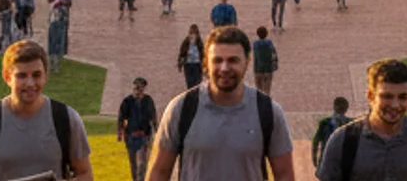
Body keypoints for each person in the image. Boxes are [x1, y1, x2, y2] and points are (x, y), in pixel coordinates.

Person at [146, 27, 295, 181]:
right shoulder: (182, 108)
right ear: (206, 63)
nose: (224, 68)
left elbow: (285, 175)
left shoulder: (267, 111)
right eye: (217, 60)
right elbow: (159, 172)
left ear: (247, 62)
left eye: (233, 60)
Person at [0, 41, 95, 181]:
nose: (30, 83)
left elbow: (85, 173)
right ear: (7, 77)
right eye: (21, 76)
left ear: (46, 75)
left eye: (36, 75)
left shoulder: (66, 118)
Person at [317, 59, 407, 181]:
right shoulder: (343, 141)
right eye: (387, 96)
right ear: (370, 96)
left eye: (403, 97)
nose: (395, 105)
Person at [118, 77, 159, 181]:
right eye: (136, 87)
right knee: (133, 164)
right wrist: (120, 133)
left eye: (140, 87)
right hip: (131, 137)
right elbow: (121, 118)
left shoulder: (148, 101)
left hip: (145, 136)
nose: (138, 90)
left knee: (142, 163)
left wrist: (157, 131)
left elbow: (153, 117)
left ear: (144, 88)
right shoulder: (127, 101)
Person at [311, 98, 351, 171]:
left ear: (334, 107)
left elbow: (315, 141)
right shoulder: (352, 123)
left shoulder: (324, 123)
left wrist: (314, 158)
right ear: (346, 108)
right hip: (344, 162)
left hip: (326, 161)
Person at [48, 0, 75, 73]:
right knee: (55, 42)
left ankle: (56, 63)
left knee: (58, 42)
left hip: (61, 20)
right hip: (55, 20)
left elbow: (68, 2)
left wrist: (61, 0)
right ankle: (54, 63)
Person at [251, 26, 281, 93]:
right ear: (266, 34)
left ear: (257, 34)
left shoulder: (255, 44)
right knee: (267, 91)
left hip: (258, 69)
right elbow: (274, 56)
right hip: (268, 69)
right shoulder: (269, 43)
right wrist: (274, 67)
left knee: (258, 91)